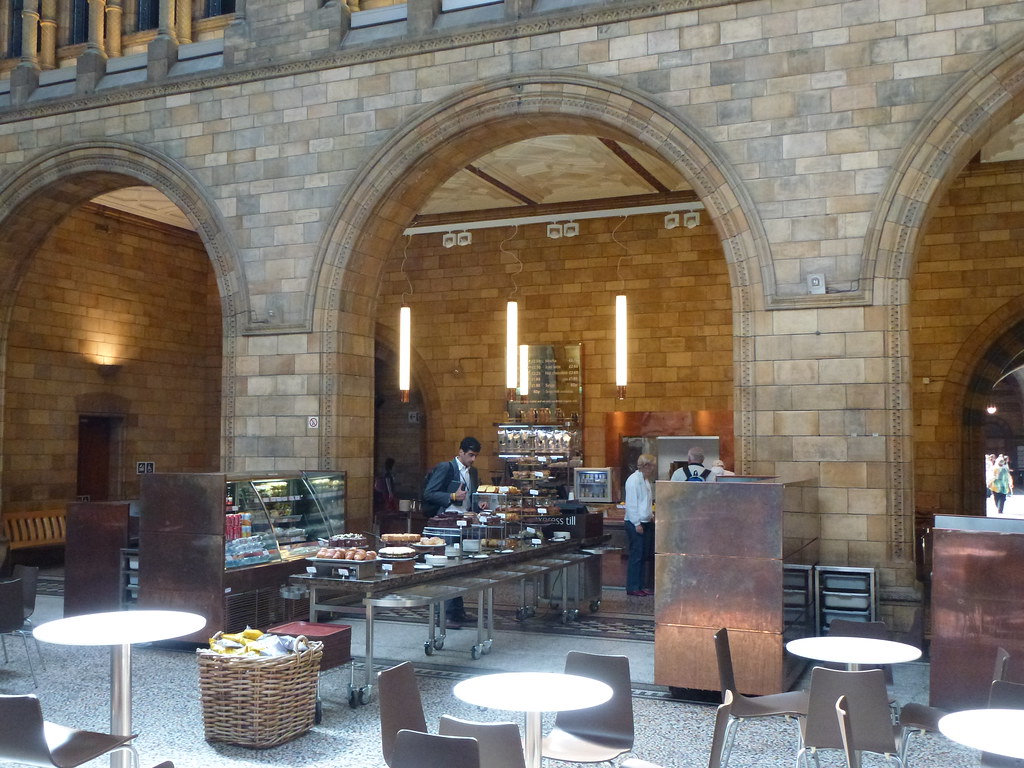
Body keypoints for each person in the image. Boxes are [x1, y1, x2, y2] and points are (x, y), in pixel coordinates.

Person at [422, 436, 488, 626]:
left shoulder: (472, 472)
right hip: (445, 525)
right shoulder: (446, 468)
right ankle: (445, 615)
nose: (473, 459)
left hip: (463, 524)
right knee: (447, 568)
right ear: (460, 452)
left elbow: (470, 497)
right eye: (470, 455)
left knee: (459, 568)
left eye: (475, 456)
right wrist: (452, 496)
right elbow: (429, 493)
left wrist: (478, 505)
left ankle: (457, 612)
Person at [624, 453, 656, 597]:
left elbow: (646, 502)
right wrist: (637, 523)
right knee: (636, 555)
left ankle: (641, 585)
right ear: (646, 465)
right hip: (635, 523)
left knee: (643, 555)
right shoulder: (633, 481)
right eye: (652, 465)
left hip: (645, 521)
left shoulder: (645, 480)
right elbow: (631, 504)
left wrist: (651, 516)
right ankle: (633, 586)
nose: (653, 468)